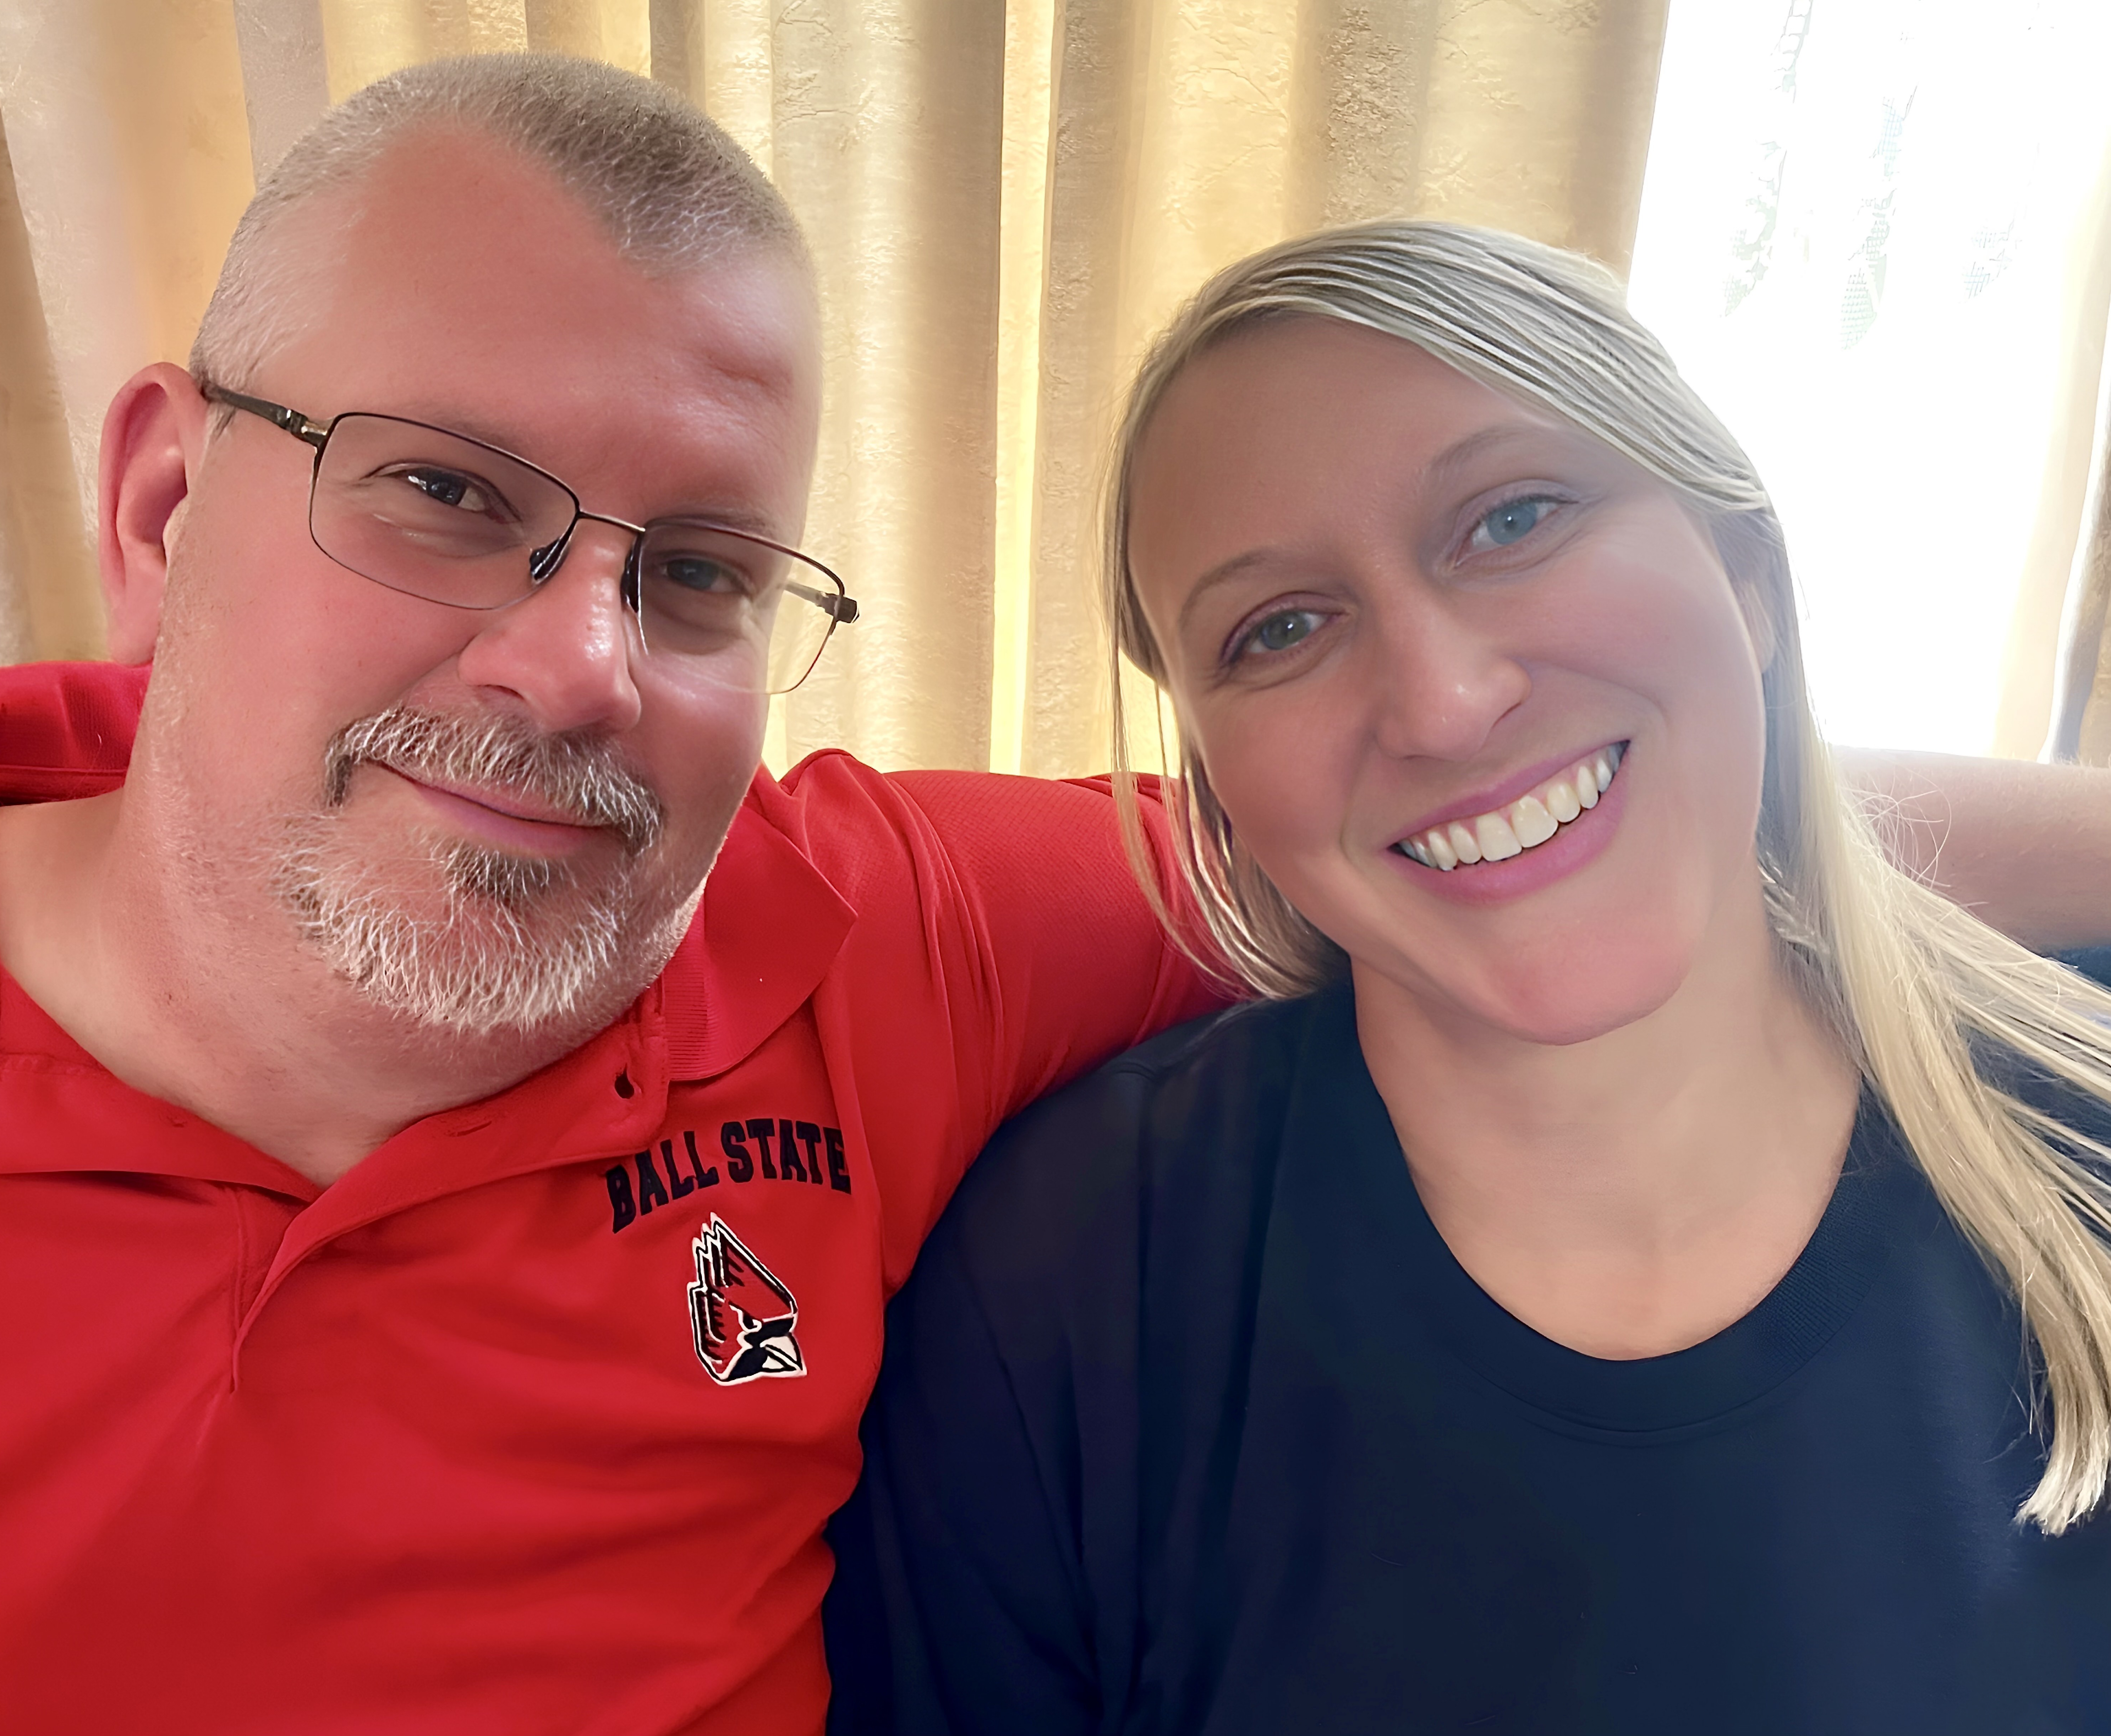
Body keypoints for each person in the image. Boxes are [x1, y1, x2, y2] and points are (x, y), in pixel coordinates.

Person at [0, 57, 2098, 1736]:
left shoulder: (870, 937)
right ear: (163, 501)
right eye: (443, 493)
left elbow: (1496, 789)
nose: (578, 661)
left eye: (699, 571)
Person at [824, 220, 2111, 1735]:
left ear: (1748, 571)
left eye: (1514, 518)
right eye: (1279, 629)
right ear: (1217, 787)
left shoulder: (2077, 1131)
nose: (1442, 702)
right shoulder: (1066, 1292)